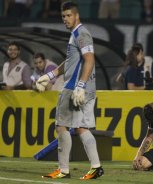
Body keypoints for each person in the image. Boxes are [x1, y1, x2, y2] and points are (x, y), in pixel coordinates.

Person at [35, 1, 103, 180]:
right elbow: (71, 62)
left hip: (75, 89)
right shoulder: (76, 34)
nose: (65, 19)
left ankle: (63, 169)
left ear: (76, 15)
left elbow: (89, 59)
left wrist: (79, 85)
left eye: (68, 15)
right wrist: (50, 76)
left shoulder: (81, 33)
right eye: (63, 16)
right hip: (85, 88)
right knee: (81, 128)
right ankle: (96, 167)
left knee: (61, 126)